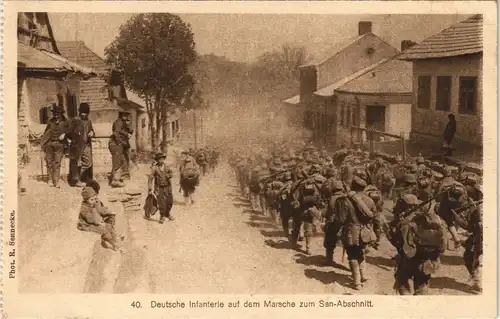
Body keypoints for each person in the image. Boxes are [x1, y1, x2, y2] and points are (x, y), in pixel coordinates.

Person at [77, 186, 119, 250]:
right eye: (92, 200)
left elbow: (98, 212)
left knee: (109, 226)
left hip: (94, 222)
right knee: (103, 230)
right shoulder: (84, 207)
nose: (94, 201)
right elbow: (90, 219)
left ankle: (115, 240)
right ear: (85, 200)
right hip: (86, 225)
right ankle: (114, 244)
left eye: (94, 199)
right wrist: (100, 223)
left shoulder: (92, 204)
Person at [67, 103, 95, 187]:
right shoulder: (75, 120)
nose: (83, 114)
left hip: (86, 145)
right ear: (80, 112)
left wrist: (92, 133)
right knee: (77, 163)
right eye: (82, 112)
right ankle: (76, 180)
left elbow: (92, 130)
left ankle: (82, 177)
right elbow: (68, 131)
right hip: (77, 145)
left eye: (85, 113)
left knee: (88, 162)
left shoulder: (89, 121)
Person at [40, 105, 68, 188]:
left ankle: (57, 181)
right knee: (49, 162)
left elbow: (70, 130)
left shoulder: (65, 122)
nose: (56, 115)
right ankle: (50, 180)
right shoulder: (50, 121)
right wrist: (45, 143)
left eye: (58, 113)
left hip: (59, 145)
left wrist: (65, 134)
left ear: (61, 114)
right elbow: (46, 133)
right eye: (55, 113)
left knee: (57, 163)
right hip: (50, 144)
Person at [148, 152, 175, 223]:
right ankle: (162, 216)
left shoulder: (167, 166)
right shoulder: (154, 168)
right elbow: (150, 178)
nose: (161, 160)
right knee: (161, 203)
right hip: (159, 188)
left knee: (170, 202)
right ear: (157, 160)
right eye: (160, 159)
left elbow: (171, 173)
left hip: (168, 187)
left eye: (162, 159)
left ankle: (167, 214)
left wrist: (169, 175)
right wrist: (150, 189)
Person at [109, 110, 133, 188]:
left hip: (119, 145)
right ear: (121, 115)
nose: (126, 116)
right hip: (116, 144)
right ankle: (115, 181)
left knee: (122, 161)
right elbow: (116, 133)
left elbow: (130, 131)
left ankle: (118, 178)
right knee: (117, 162)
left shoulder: (124, 123)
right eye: (124, 115)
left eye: (127, 115)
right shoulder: (118, 122)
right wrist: (120, 143)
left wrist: (128, 127)